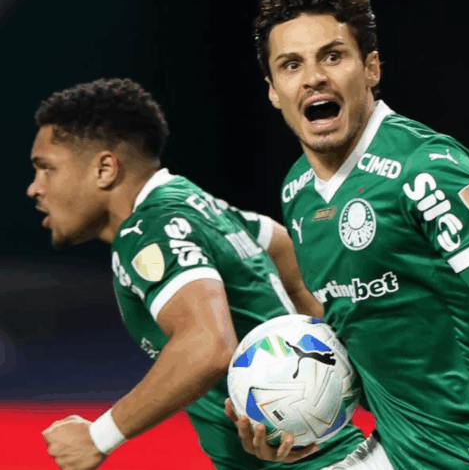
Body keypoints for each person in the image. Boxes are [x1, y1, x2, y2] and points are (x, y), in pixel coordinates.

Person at [226, 0, 469, 469]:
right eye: (291, 65)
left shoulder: (425, 167)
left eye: (333, 56)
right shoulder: (298, 191)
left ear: (371, 68)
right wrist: (298, 423)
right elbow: (359, 334)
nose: (313, 78)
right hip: (397, 451)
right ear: (272, 90)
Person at [32, 78, 393, 470]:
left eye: (46, 169)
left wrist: (98, 437)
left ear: (105, 169)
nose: (35, 188)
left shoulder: (147, 229)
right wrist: (325, 382)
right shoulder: (197, 205)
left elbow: (208, 347)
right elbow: (286, 253)